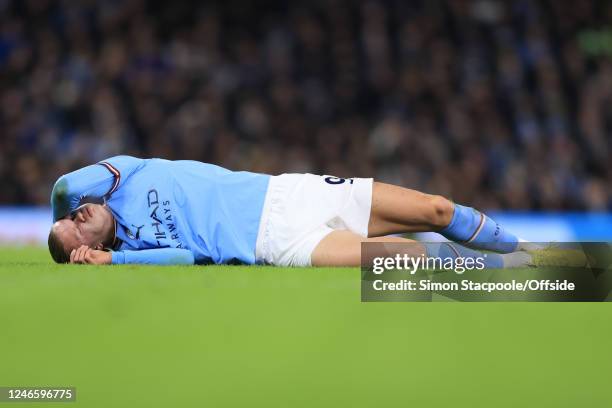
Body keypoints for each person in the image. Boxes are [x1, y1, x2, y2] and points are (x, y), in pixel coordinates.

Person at [48, 155, 532, 266]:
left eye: (71, 216)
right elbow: (187, 259)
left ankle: (528, 254)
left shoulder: (122, 176)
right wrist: (114, 261)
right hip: (277, 243)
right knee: (410, 258)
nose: (78, 219)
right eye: (76, 234)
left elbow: (65, 185)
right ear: (91, 250)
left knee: (438, 208)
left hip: (291, 193)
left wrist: (60, 205)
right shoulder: (138, 248)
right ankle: (531, 277)